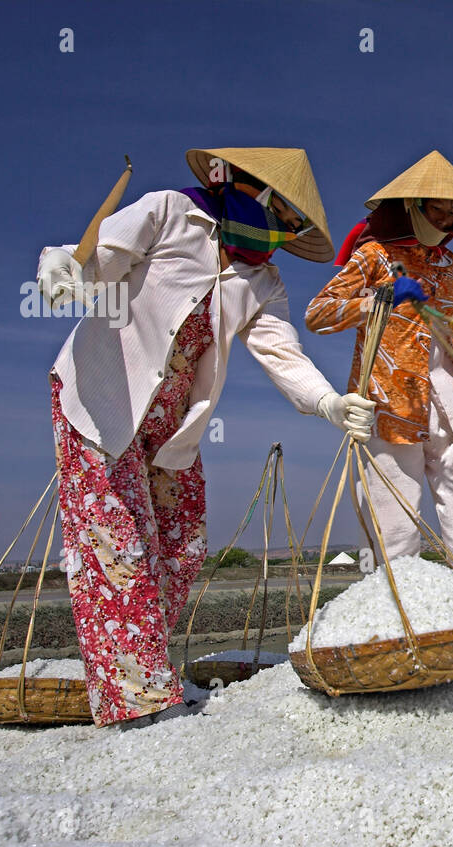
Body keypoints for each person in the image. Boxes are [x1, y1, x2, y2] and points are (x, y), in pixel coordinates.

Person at [36, 147, 374, 727]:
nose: (283, 233)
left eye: (292, 229)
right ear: (248, 192)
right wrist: (66, 267)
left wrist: (328, 403)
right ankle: (134, 706)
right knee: (117, 546)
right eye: (285, 218)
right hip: (100, 401)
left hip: (172, 426)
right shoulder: (170, 213)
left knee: (182, 546)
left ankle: (135, 669)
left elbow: (281, 352)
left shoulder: (262, 281)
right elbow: (100, 256)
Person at [305, 150, 453, 594]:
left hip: (450, 403)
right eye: (437, 207)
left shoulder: (451, 267)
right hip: (390, 400)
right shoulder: (374, 256)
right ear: (411, 206)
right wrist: (379, 299)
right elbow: (319, 314)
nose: (445, 217)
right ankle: (398, 612)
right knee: (393, 517)